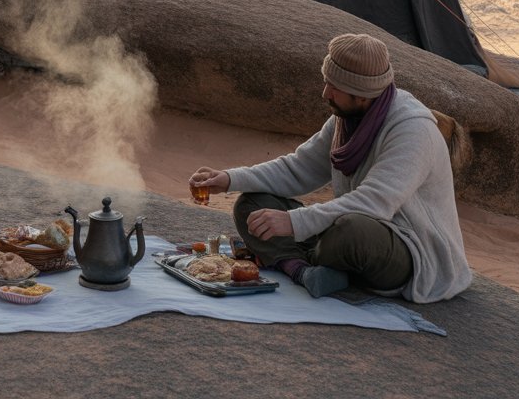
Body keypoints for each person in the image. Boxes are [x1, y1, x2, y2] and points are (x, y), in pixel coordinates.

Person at [188, 33, 471, 303]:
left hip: (410, 251)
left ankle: (314, 258)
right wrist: (229, 179)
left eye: (334, 87)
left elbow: (373, 203)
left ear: (361, 95)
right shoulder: (347, 118)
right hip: (347, 229)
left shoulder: (413, 131)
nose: (325, 93)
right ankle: (302, 271)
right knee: (251, 204)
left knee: (350, 232)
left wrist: (293, 222)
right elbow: (297, 168)